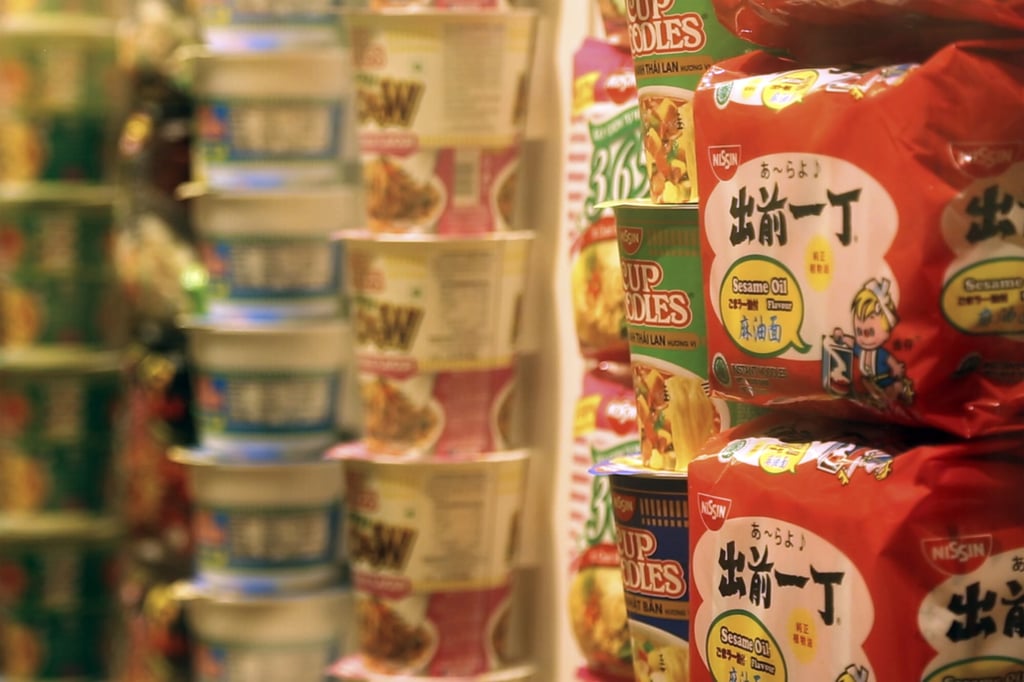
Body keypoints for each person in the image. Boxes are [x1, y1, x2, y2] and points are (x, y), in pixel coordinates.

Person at [831, 277, 913, 407]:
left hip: (885, 380)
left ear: (887, 330)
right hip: (870, 382)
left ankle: (896, 395)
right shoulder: (860, 350)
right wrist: (840, 337)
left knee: (893, 390)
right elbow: (851, 342)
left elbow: (890, 360)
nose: (864, 338)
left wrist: (896, 367)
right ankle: (881, 400)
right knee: (867, 385)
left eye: (869, 332)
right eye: (859, 331)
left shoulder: (880, 353)